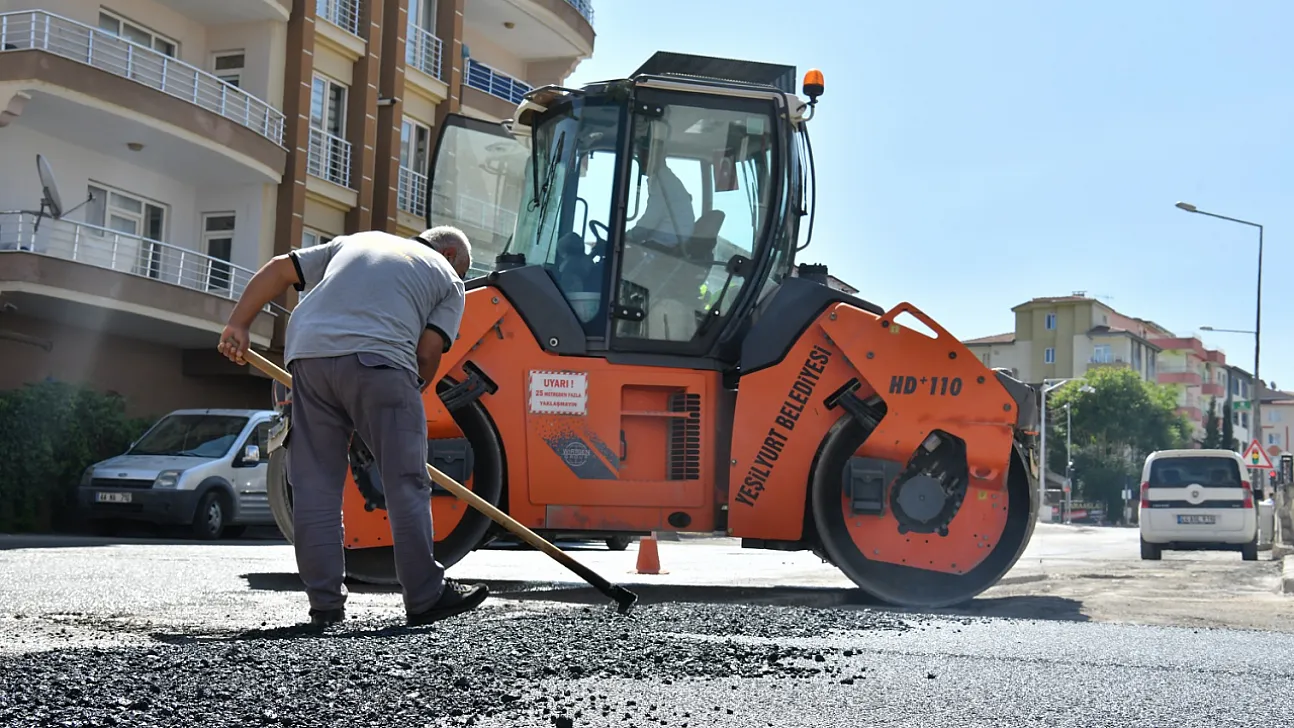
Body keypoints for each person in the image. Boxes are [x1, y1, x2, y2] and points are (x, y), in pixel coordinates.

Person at [217, 225, 488, 629]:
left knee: (315, 485)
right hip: (383, 361)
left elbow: (279, 270)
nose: (461, 276)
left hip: (308, 356)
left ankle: (325, 606)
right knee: (405, 481)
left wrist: (238, 324)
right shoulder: (448, 277)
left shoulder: (358, 241)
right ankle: (424, 596)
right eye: (463, 270)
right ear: (450, 255)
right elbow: (428, 353)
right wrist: (397, 403)